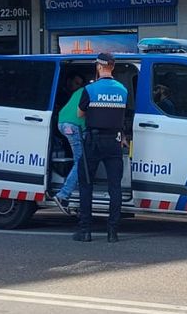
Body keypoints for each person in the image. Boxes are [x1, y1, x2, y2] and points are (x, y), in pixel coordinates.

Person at [76, 52, 129, 243]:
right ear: (112, 67)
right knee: (115, 187)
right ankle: (112, 232)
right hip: (114, 142)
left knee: (86, 184)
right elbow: (120, 116)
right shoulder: (123, 90)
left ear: (99, 67)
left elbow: (80, 113)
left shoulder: (90, 89)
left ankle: (85, 231)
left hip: (93, 142)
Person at [50, 74, 88, 216]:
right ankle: (63, 195)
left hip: (63, 122)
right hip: (74, 126)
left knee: (82, 159)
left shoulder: (82, 91)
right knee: (81, 162)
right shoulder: (93, 93)